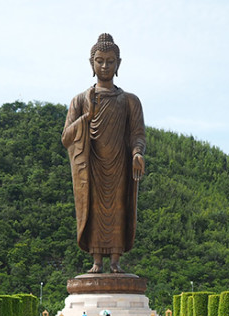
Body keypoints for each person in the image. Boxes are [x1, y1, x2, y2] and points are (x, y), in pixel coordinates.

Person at [62, 33, 146, 274]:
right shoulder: (80, 100)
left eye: (110, 61)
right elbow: (66, 138)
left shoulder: (130, 101)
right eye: (100, 60)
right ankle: (97, 260)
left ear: (118, 63)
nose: (105, 66)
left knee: (119, 208)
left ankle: (116, 261)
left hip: (119, 164)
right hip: (91, 166)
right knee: (95, 210)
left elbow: (137, 133)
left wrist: (137, 153)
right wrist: (86, 118)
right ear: (92, 63)